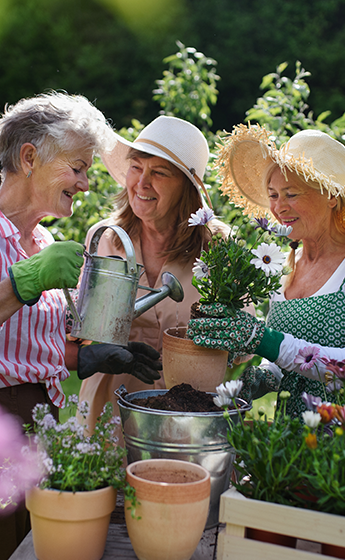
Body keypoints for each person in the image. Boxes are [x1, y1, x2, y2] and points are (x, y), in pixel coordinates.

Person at [0, 92, 162, 560]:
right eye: (77, 167)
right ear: (29, 158)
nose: (86, 183)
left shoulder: (42, 240)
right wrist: (24, 281)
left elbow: (17, 346)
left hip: (32, 432)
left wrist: (84, 356)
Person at [187, 125, 345, 417]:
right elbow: (285, 358)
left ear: (331, 196)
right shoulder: (287, 262)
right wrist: (265, 375)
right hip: (289, 445)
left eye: (291, 194)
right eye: (273, 194)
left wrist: (263, 339)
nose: (278, 208)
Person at [77, 115, 228, 436]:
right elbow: (83, 330)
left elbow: (241, 345)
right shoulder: (106, 239)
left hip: (191, 414)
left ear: (187, 188)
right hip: (111, 408)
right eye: (136, 167)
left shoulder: (218, 246)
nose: (142, 183)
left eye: (159, 173)